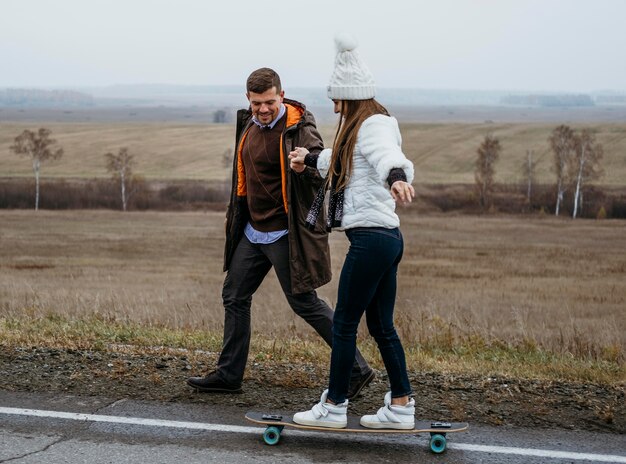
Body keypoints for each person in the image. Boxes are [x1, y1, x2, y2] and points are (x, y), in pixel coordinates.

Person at [187, 67, 374, 397]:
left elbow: (320, 168)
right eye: (257, 102)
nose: (263, 109)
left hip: (285, 233)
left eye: (270, 102)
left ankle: (357, 369)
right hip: (253, 230)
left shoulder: (298, 128)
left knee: (304, 303)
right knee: (234, 295)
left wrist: (306, 165)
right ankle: (229, 376)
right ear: (248, 99)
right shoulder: (248, 123)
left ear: (282, 95)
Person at [289, 34, 416, 429]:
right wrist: (308, 159)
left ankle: (335, 406)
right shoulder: (360, 126)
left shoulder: (374, 124)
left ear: (350, 95)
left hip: (372, 239)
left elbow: (384, 156)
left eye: (336, 97)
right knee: (380, 326)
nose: (332, 104)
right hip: (386, 240)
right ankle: (401, 407)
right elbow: (342, 158)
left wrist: (396, 177)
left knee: (344, 324)